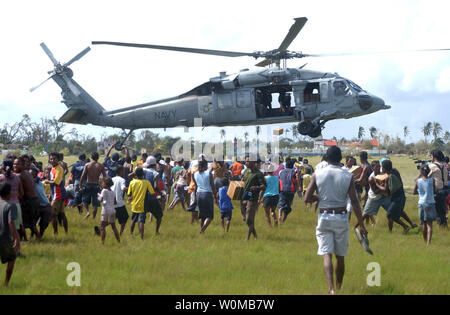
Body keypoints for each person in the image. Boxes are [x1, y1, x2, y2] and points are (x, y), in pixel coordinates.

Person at [304, 146, 367, 295]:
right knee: (340, 256)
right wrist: (362, 224)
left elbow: (307, 198)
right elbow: (355, 201)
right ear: (340, 159)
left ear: (326, 158)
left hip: (324, 216)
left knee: (326, 254)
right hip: (341, 217)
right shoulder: (347, 175)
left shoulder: (317, 174)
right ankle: (339, 288)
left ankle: (331, 289)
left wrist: (320, 198)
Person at [375, 159, 411, 233]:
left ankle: (405, 226)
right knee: (393, 215)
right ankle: (390, 232)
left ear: (384, 168)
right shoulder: (395, 171)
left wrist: (377, 184)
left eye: (382, 167)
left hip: (397, 199)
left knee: (390, 215)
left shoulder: (389, 176)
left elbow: (385, 190)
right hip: (401, 197)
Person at [127, 167, 161, 239]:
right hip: (142, 205)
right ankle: (141, 237)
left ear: (135, 174)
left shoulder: (132, 182)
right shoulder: (146, 182)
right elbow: (152, 192)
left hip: (134, 205)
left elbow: (129, 194)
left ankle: (131, 234)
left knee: (133, 220)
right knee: (141, 221)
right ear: (143, 174)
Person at [15, 157, 41, 240]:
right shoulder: (27, 172)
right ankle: (37, 237)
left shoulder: (19, 175)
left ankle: (24, 239)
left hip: (29, 201)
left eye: (17, 164)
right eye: (14, 164)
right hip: (34, 200)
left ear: (23, 165)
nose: (15, 166)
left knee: (22, 221)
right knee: (31, 222)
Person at [0, 183, 20, 286]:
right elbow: (10, 222)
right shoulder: (11, 205)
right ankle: (6, 283)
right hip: (5, 238)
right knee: (11, 258)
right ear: (9, 193)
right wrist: (16, 239)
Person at [0, 160, 25, 243]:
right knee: (16, 227)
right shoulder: (17, 177)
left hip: (3, 206)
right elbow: (21, 193)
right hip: (16, 205)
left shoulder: (1, 177)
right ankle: (16, 244)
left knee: (4, 226)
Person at [241, 158, 266, 240]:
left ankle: (247, 239)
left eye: (248, 161)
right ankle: (255, 236)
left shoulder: (258, 174)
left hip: (253, 198)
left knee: (249, 219)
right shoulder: (245, 172)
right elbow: (243, 181)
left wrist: (257, 187)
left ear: (253, 162)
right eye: (245, 161)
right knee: (246, 219)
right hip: (244, 197)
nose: (246, 162)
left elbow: (264, 186)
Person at [45, 153, 68, 235]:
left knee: (52, 215)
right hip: (57, 194)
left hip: (58, 195)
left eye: (54, 159)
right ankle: (65, 232)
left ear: (58, 159)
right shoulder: (53, 168)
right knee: (62, 214)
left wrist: (47, 181)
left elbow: (56, 183)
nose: (52, 160)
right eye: (51, 159)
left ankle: (55, 233)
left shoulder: (59, 169)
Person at [413, 165, 436, 245]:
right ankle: (428, 243)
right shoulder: (432, 180)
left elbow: (414, 192)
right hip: (430, 203)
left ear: (421, 172)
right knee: (430, 225)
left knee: (423, 224)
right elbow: (434, 190)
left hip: (421, 203)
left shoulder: (418, 181)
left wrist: (420, 192)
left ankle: (424, 240)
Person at [80, 152, 106, 220]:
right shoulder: (101, 166)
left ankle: (88, 212)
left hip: (88, 184)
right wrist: (104, 186)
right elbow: (105, 177)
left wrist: (80, 185)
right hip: (96, 185)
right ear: (98, 158)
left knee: (85, 200)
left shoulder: (87, 165)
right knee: (95, 204)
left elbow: (83, 176)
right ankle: (93, 218)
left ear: (91, 157)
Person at [193, 159, 217, 234]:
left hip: (199, 194)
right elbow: (212, 186)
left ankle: (202, 232)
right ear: (205, 166)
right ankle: (202, 230)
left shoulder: (195, 174)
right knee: (210, 216)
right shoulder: (209, 174)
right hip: (207, 194)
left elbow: (196, 185)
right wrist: (215, 196)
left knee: (202, 215)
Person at [428, 150, 448, 227]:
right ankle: (444, 225)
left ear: (434, 157)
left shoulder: (432, 166)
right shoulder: (444, 166)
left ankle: (440, 226)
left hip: (437, 191)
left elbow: (427, 177)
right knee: (442, 210)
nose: (430, 157)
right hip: (444, 190)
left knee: (437, 211)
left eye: (431, 156)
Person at [30, 166, 52, 238]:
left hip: (45, 204)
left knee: (44, 223)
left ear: (37, 173)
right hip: (36, 205)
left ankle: (40, 236)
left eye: (34, 173)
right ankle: (33, 235)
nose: (32, 174)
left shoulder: (39, 181)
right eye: (31, 173)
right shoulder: (29, 182)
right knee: (32, 223)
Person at [98, 177, 120, 244]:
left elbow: (100, 199)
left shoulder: (104, 190)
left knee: (102, 227)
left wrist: (98, 197)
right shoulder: (112, 192)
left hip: (106, 211)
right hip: (113, 210)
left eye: (102, 183)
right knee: (114, 227)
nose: (102, 184)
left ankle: (102, 242)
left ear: (106, 184)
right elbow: (115, 202)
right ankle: (118, 241)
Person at [278, 159, 299, 224]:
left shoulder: (281, 172)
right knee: (288, 207)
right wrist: (296, 189)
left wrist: (279, 190)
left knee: (281, 205)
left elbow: (279, 181)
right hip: (290, 190)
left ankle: (279, 215)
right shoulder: (294, 172)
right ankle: (283, 220)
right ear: (292, 165)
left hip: (282, 190)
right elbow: (296, 182)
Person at [112, 166, 129, 236]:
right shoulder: (122, 180)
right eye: (123, 171)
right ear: (121, 171)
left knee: (110, 220)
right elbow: (123, 188)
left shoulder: (112, 179)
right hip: (119, 203)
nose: (124, 172)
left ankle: (101, 227)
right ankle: (120, 233)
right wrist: (130, 189)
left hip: (111, 203)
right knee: (125, 218)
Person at [186, 160, 200, 224]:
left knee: (194, 205)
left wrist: (190, 183)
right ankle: (191, 222)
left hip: (192, 187)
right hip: (196, 188)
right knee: (195, 206)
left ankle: (196, 220)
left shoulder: (191, 169)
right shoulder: (198, 170)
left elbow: (187, 175)